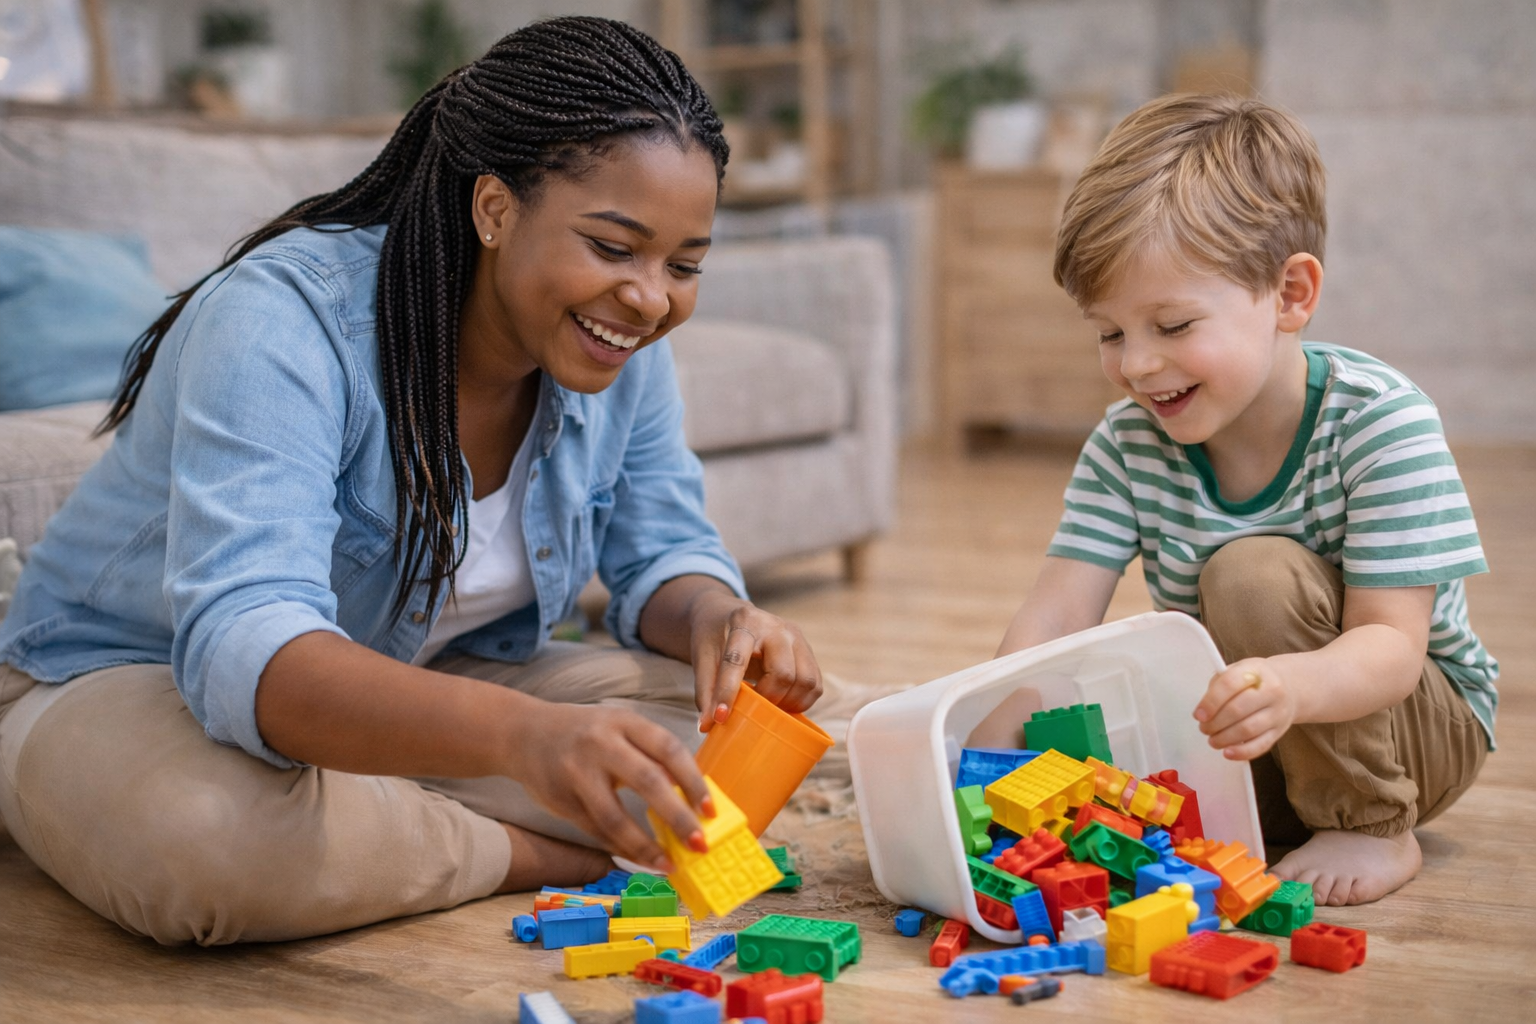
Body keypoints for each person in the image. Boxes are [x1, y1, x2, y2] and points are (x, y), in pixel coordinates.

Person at [0, 16, 823, 945]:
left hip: (417, 669)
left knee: (743, 751)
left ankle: (381, 809)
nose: (650, 298)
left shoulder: (617, 343)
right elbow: (247, 646)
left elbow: (663, 550)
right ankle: (537, 854)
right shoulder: (283, 321)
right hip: (125, 676)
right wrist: (523, 740)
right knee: (204, 840)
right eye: (611, 246)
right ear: (495, 210)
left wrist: (719, 616)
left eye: (683, 265)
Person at [982, 94, 1496, 906]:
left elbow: (1393, 649)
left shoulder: (1381, 422)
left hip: (1413, 730)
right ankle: (1291, 807)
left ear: (1291, 295)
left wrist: (1290, 687)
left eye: (1173, 325)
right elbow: (1051, 621)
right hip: (1257, 725)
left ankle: (1367, 825)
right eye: (1110, 333)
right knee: (1115, 752)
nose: (1139, 366)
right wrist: (985, 756)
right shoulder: (1127, 443)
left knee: (1252, 574)